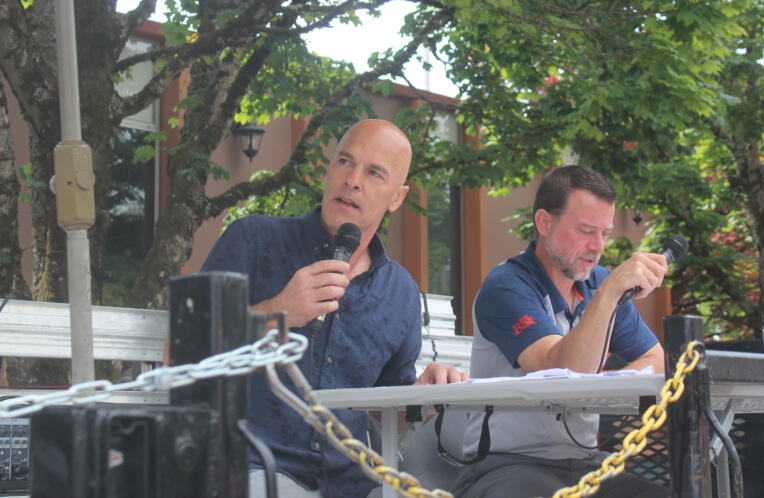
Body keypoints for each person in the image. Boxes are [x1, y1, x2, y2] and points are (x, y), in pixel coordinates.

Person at [201, 119, 467, 498]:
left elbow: (383, 416)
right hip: (253, 467)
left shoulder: (400, 291)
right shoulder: (253, 240)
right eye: (345, 162)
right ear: (329, 170)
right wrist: (279, 312)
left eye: (374, 173)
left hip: (352, 482)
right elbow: (178, 354)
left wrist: (419, 396)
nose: (353, 180)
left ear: (397, 197)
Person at [453, 166, 670, 498]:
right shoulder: (507, 285)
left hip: (585, 463)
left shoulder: (599, 283)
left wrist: (610, 389)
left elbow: (655, 357)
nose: (597, 247)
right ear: (544, 223)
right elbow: (560, 372)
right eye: (585, 230)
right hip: (506, 463)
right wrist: (610, 293)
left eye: (605, 233)